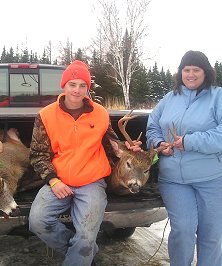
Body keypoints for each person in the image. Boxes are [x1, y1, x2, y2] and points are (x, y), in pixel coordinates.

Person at [28, 60, 141, 266]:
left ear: (87, 88)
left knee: (86, 236)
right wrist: (53, 180)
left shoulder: (100, 113)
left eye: (82, 85)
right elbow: (37, 154)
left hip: (91, 181)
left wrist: (126, 148)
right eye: (72, 84)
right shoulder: (46, 115)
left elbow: (112, 144)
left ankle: (83, 250)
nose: (77, 90)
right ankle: (84, 251)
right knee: (37, 222)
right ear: (64, 86)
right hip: (59, 181)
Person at [146, 50, 222, 266]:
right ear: (180, 73)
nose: (190, 74)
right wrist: (159, 144)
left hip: (212, 178)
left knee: (211, 234)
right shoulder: (170, 98)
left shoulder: (218, 97)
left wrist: (189, 142)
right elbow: (152, 126)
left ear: (205, 72)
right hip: (173, 179)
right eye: (186, 70)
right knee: (184, 230)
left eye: (195, 70)